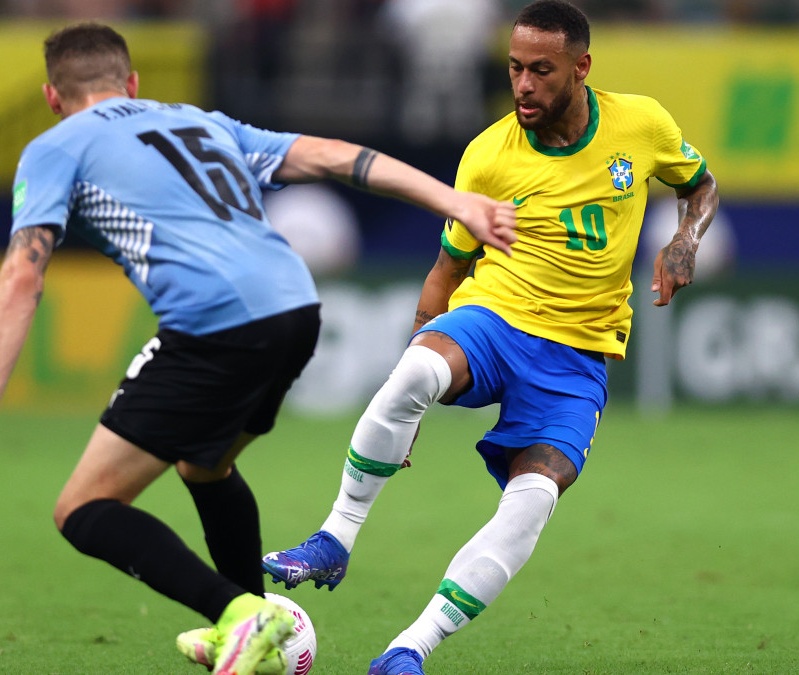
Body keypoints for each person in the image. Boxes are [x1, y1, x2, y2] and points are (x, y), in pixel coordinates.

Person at [0, 22, 516, 675]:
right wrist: (453, 199)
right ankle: (251, 621)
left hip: (216, 324)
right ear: (132, 83)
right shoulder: (199, 121)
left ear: (52, 96)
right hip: (296, 309)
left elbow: (24, 271)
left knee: (83, 508)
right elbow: (333, 156)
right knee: (203, 464)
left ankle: (240, 611)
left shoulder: (56, 146)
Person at [261, 1, 720, 673]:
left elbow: (700, 185)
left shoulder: (641, 124)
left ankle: (407, 650)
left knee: (530, 506)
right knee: (417, 374)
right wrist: (407, 380)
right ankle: (335, 535)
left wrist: (686, 239)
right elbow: (446, 269)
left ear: (581, 67)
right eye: (514, 68)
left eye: (542, 70)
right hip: (496, 321)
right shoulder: (487, 156)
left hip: (577, 359)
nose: (524, 85)